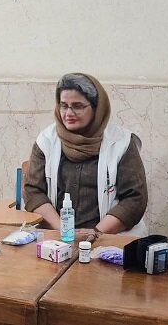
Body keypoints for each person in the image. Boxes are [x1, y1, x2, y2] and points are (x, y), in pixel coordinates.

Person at [23, 73, 148, 238]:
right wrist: (63, 229)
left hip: (110, 236)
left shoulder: (121, 142)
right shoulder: (46, 140)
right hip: (58, 235)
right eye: (63, 106)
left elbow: (135, 199)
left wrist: (96, 232)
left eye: (77, 106)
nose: (68, 113)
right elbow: (33, 191)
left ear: (96, 108)